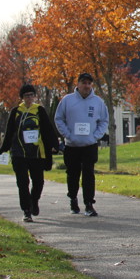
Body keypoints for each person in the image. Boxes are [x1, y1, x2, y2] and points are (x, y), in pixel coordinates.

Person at [0, 85, 59, 222]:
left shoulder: (39, 110)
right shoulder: (16, 111)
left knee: (38, 182)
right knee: (22, 182)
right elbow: (9, 131)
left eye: (32, 95)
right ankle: (26, 210)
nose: (29, 98)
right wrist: (4, 147)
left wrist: (54, 144)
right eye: (26, 95)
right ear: (22, 97)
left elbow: (48, 129)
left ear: (35, 96)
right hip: (19, 152)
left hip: (36, 152)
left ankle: (34, 200)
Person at [54, 72, 109, 217]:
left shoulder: (98, 102)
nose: (86, 86)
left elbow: (104, 121)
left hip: (89, 145)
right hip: (72, 145)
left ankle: (89, 204)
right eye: (84, 83)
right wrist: (68, 134)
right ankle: (73, 199)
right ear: (77, 84)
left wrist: (95, 136)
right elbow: (59, 119)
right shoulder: (67, 100)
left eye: (89, 83)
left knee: (89, 174)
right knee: (72, 174)